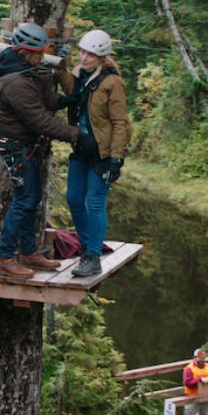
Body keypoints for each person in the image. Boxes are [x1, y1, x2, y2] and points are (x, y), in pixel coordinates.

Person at [0, 22, 85, 278]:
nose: (43, 56)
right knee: (24, 200)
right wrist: (76, 134)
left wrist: (65, 100)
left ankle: (29, 252)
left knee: (31, 199)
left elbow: (43, 100)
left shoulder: (24, 70)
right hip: (15, 146)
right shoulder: (15, 82)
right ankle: (5, 257)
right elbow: (40, 120)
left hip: (23, 144)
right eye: (38, 52)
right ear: (24, 51)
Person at [55, 29, 132, 277]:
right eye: (83, 52)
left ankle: (92, 256)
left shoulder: (112, 83)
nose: (84, 57)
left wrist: (117, 159)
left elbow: (121, 122)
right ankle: (87, 247)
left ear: (101, 57)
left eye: (90, 54)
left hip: (103, 152)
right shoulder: (80, 75)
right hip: (81, 148)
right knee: (74, 198)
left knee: (95, 202)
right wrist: (60, 63)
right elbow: (72, 91)